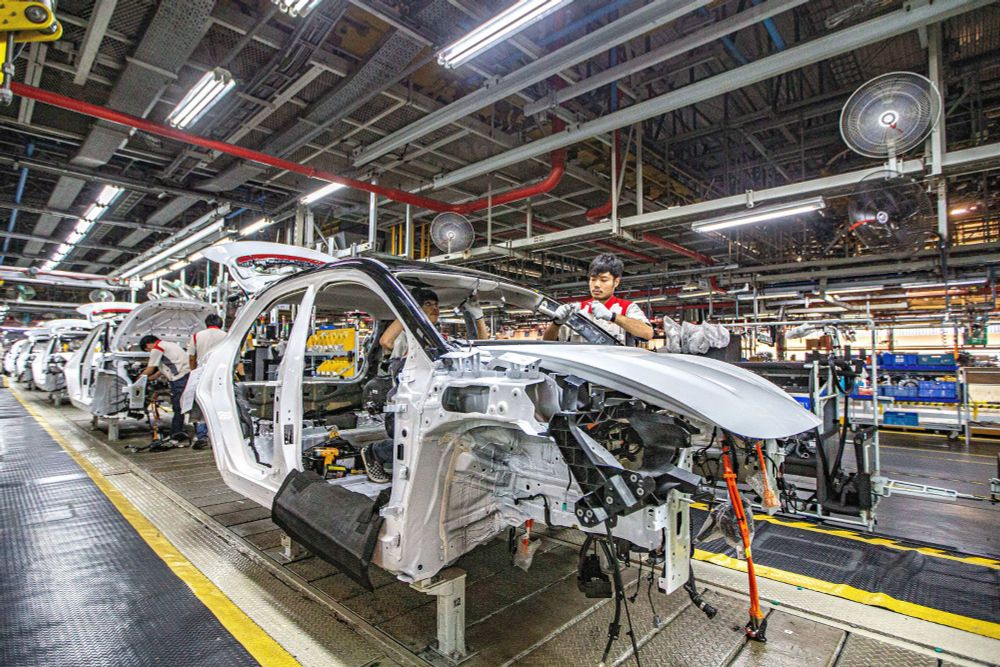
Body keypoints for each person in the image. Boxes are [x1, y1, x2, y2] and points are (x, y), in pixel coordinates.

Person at [362, 287, 487, 483]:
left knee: (439, 445)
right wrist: (409, 312)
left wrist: (478, 316)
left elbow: (481, 345)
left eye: (436, 305)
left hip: (431, 404)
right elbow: (386, 341)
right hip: (405, 407)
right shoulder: (406, 336)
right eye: (428, 304)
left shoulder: (439, 340)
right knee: (418, 445)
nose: (435, 308)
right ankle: (375, 452)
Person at [543, 253, 653, 345]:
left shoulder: (626, 308)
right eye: (593, 279)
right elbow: (547, 342)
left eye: (603, 280)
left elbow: (647, 333)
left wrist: (612, 316)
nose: (596, 285)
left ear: (616, 282)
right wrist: (556, 323)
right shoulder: (577, 310)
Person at [138, 334, 191, 447]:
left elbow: (150, 368)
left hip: (179, 379)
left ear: (148, 345)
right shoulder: (170, 345)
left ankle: (176, 435)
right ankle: (177, 432)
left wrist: (139, 379)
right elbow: (162, 369)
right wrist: (151, 378)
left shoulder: (157, 348)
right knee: (183, 406)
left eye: (147, 350)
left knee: (178, 407)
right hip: (186, 376)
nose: (149, 352)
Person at [187, 313, 227, 450]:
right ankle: (217, 437)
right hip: (220, 375)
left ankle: (202, 436)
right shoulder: (226, 336)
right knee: (219, 405)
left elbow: (191, 357)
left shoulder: (196, 336)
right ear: (220, 324)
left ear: (206, 323)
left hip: (202, 374)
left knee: (201, 405)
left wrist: (194, 371)